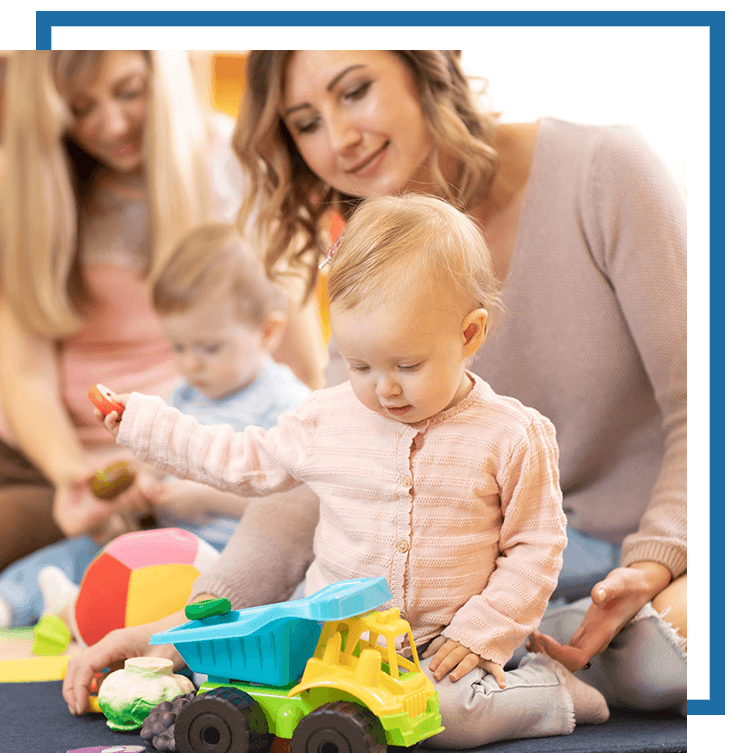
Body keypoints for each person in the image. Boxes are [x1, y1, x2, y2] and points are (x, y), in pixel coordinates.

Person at [63, 49, 686, 727]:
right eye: (305, 123)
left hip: (639, 557)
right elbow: (314, 481)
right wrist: (186, 631)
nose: (338, 140)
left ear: (425, 65)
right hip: (464, 599)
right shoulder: (373, 272)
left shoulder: (602, 170)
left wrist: (656, 561)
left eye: (354, 91)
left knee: (658, 657)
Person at [94, 194, 614, 747]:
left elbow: (536, 547)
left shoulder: (512, 434)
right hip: (334, 641)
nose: (383, 388)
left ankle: (550, 690)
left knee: (444, 719)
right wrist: (144, 424)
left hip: (447, 644)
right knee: (242, 684)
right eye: (359, 364)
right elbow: (241, 459)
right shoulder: (328, 418)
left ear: (469, 334)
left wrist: (483, 630)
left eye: (407, 366)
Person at [0, 50, 325, 573]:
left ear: (162, 73)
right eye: (80, 108)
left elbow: (300, 370)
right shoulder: (26, 184)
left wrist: (188, 473)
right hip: (49, 462)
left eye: (128, 91)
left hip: (181, 465)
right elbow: (23, 373)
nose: (110, 124)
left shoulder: (234, 166)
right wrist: (73, 476)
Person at [0, 222, 312, 628]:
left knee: (187, 598)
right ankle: (15, 600)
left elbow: (297, 503)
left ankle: (78, 610)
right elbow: (149, 461)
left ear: (267, 332)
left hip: (232, 552)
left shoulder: (288, 404)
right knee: (84, 552)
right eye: (178, 347)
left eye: (209, 347)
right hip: (160, 538)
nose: (191, 363)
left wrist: (204, 499)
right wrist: (138, 486)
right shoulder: (184, 395)